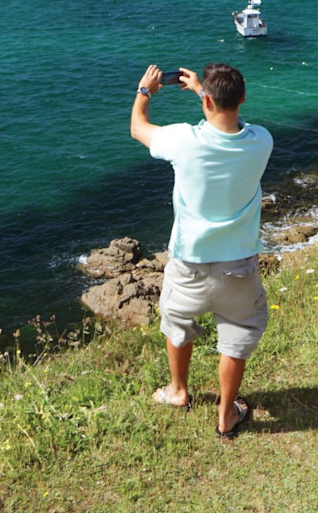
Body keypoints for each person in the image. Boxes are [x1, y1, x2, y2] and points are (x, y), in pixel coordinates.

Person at [131, 63, 274, 440]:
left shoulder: (183, 140)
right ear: (243, 98)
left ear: (207, 101)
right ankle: (227, 416)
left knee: (178, 327)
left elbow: (138, 128)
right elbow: (226, 117)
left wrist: (145, 92)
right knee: (238, 334)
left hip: (188, 265)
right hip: (238, 267)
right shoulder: (262, 141)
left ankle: (178, 392)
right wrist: (201, 90)